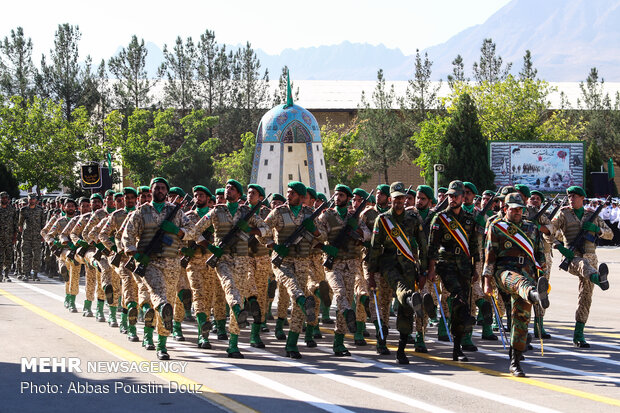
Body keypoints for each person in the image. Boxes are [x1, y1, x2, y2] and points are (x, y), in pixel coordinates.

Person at [187, 179, 270, 358]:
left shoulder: (247, 212)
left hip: (241, 260)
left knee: (238, 300)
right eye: (227, 188)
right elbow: (195, 230)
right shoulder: (216, 211)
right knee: (229, 286)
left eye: (232, 189)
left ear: (239, 195)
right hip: (222, 258)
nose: (228, 190)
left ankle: (233, 345)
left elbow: (266, 228)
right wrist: (210, 247)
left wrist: (249, 230)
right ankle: (237, 314)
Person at [122, 177, 191, 360]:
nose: (159, 190)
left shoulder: (175, 212)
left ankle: (161, 344)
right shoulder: (141, 211)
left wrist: (177, 231)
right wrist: (134, 253)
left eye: (162, 188)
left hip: (172, 262)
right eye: (156, 188)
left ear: (166, 191)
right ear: (151, 191)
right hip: (150, 262)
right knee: (159, 295)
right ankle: (151, 335)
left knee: (168, 302)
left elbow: (192, 231)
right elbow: (127, 235)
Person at [482, 192, 549, 377]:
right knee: (519, 282)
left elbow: (539, 254)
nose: (518, 212)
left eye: (520, 209)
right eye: (514, 209)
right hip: (505, 273)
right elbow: (489, 258)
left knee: (521, 319)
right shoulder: (497, 227)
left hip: (528, 275)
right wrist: (486, 282)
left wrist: (542, 274)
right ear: (505, 209)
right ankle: (534, 294)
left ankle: (515, 361)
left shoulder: (531, 228)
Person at [263, 181, 324, 359]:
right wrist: (272, 245)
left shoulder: (309, 214)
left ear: (301, 196)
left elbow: (323, 236)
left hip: (303, 262)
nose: (288, 195)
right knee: (292, 286)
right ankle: (302, 300)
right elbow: (263, 230)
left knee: (298, 306)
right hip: (282, 261)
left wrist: (315, 231)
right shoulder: (279, 211)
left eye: (292, 193)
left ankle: (292, 344)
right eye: (288, 192)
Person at [368, 182, 427, 365]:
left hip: (408, 266)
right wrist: (371, 275)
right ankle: (381, 339)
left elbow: (423, 246)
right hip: (388, 265)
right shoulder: (383, 219)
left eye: (402, 198)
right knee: (384, 306)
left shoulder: (413, 218)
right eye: (396, 198)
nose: (399, 201)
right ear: (390, 199)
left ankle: (401, 349)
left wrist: (424, 270)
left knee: (406, 309)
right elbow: (374, 248)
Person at [549, 185, 613, 348]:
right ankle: (599, 279)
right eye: (569, 196)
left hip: (591, 259)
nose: (571, 199)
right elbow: (548, 232)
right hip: (571, 258)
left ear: (582, 199)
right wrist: (559, 246)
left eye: (575, 196)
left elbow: (610, 234)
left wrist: (596, 229)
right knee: (582, 264)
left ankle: (578, 335)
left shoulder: (592, 215)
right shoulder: (563, 214)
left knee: (586, 297)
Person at [428, 180, 479, 362]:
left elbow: (473, 245)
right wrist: (432, 269)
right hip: (446, 263)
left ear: (462, 197)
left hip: (464, 266)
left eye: (456, 196)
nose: (452, 199)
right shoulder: (440, 218)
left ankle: (457, 347)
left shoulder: (468, 219)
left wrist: (475, 268)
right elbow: (432, 246)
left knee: (462, 303)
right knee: (457, 294)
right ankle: (462, 318)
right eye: (450, 196)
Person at [317, 184, 371, 356]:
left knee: (346, 298)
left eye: (341, 195)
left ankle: (338, 342)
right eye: (336, 195)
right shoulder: (327, 215)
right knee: (340, 294)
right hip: (333, 265)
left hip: (351, 265)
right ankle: (349, 314)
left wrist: (356, 229)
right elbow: (317, 236)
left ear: (348, 199)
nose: (337, 198)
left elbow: (367, 235)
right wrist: (327, 249)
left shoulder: (354, 217)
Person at [18, 193, 46, 281]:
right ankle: (26, 273)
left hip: (37, 236)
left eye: (33, 199)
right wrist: (22, 232)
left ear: (36, 200)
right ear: (28, 199)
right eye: (30, 199)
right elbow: (20, 224)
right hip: (27, 236)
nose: (32, 201)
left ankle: (35, 274)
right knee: (26, 255)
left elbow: (43, 224)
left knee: (37, 255)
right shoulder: (23, 210)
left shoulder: (40, 210)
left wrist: (43, 235)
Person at [0, 191, 17, 282]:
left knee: (8, 256)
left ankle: (6, 274)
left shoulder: (12, 209)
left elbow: (15, 224)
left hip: (9, 237)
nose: (4, 199)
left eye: (6, 198)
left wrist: (14, 237)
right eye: (3, 198)